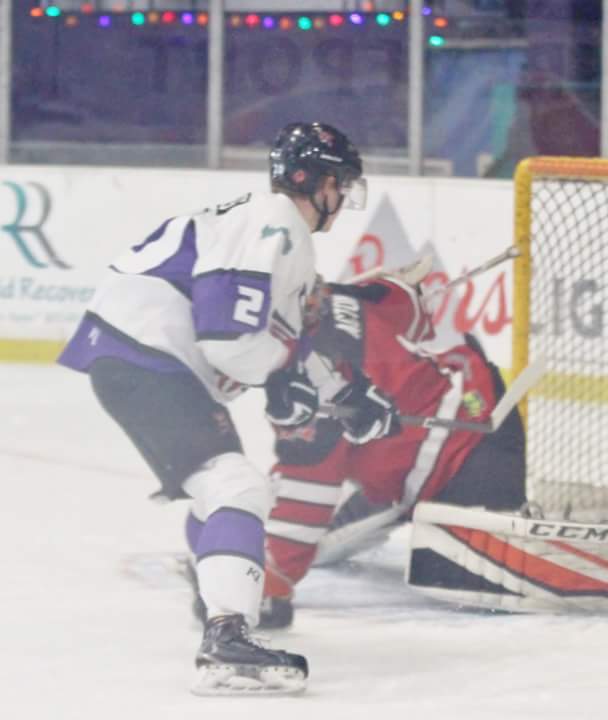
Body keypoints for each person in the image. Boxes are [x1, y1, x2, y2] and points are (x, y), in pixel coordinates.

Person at [56, 122, 378, 696]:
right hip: (148, 356)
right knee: (238, 488)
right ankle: (227, 636)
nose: (342, 197)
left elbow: (282, 346)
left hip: (142, 358)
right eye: (339, 182)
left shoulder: (273, 235)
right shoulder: (275, 220)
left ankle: (218, 586)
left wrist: (346, 397)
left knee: (223, 489)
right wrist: (284, 384)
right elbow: (229, 338)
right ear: (311, 179)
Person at [255, 269, 527, 628]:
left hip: (466, 452)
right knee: (308, 533)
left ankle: (510, 523)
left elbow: (309, 481)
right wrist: (405, 285)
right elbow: (405, 304)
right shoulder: (342, 297)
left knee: (473, 571)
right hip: (477, 396)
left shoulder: (307, 378)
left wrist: (272, 581)